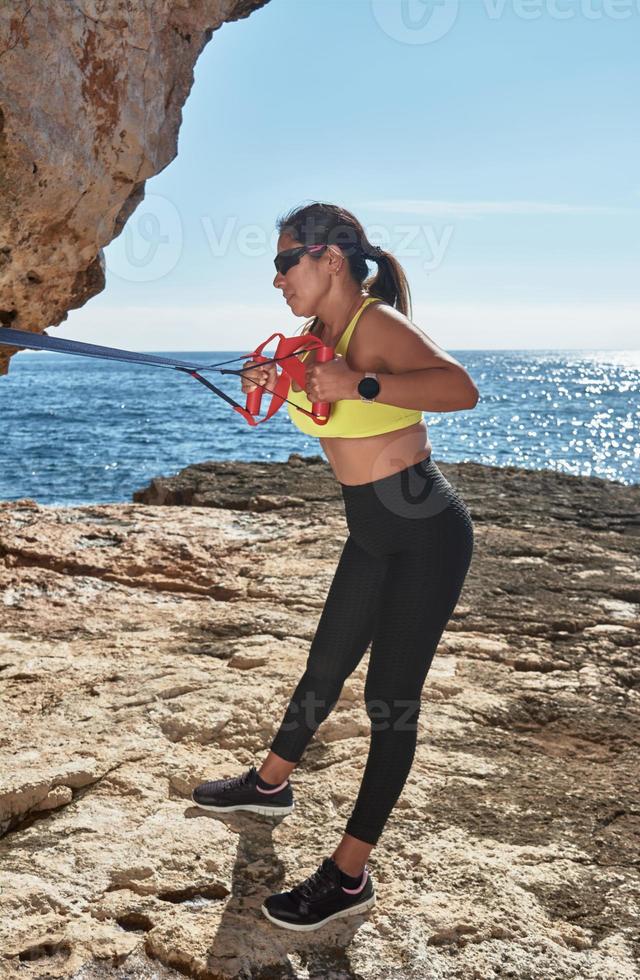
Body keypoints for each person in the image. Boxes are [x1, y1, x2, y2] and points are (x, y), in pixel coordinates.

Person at [191, 201, 477, 931]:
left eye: (287, 261)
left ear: (330, 261)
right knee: (324, 666)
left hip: (425, 530)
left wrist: (362, 385)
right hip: (373, 530)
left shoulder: (374, 326)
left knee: (390, 702)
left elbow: (458, 390)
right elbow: (313, 399)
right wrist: (275, 376)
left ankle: (350, 874)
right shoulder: (314, 338)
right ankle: (268, 785)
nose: (278, 278)